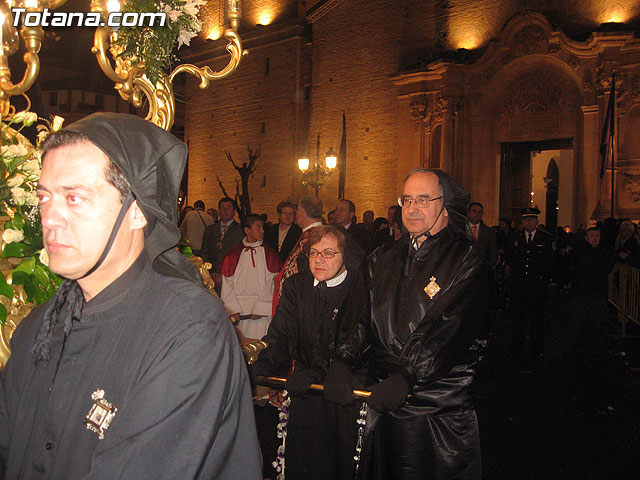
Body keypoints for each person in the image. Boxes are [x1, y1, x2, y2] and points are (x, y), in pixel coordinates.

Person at [0, 113, 261, 479]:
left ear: (137, 211)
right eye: (44, 198)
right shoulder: (37, 327)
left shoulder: (189, 330)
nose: (50, 218)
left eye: (74, 198)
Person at [325, 168, 486, 480]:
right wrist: (342, 361)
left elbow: (448, 326)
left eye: (423, 199)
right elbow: (358, 312)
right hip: (383, 395)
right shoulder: (382, 256)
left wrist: (409, 373)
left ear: (445, 204)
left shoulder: (466, 258)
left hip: (435, 403)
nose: (412, 208)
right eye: (407, 199)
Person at [253, 225, 368, 480]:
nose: (319, 260)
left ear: (344, 255)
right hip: (306, 387)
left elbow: (352, 338)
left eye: (328, 253)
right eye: (314, 253)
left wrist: (320, 372)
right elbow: (282, 332)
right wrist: (264, 364)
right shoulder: (298, 285)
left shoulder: (357, 286)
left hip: (342, 387)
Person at [221, 214, 282, 339]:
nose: (262, 231)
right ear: (247, 230)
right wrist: (232, 310)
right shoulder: (233, 254)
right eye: (258, 227)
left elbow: (272, 282)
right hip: (240, 310)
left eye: (262, 227)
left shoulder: (268, 253)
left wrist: (261, 307)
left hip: (260, 312)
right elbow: (227, 283)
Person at [506, 207, 555, 362]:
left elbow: (550, 263)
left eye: (532, 219)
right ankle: (516, 349)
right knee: (518, 319)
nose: (529, 222)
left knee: (537, 319)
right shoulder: (515, 237)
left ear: (537, 222)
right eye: (526, 220)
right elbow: (510, 259)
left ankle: (536, 349)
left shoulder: (545, 239)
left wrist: (546, 282)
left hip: (537, 286)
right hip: (519, 286)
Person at [201, 197, 244, 292]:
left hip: (231, 277)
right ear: (219, 210)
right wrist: (211, 273)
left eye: (228, 208)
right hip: (211, 276)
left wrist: (225, 276)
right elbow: (204, 252)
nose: (225, 211)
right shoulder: (210, 229)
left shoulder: (241, 230)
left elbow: (241, 256)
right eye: (222, 208)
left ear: (234, 211)